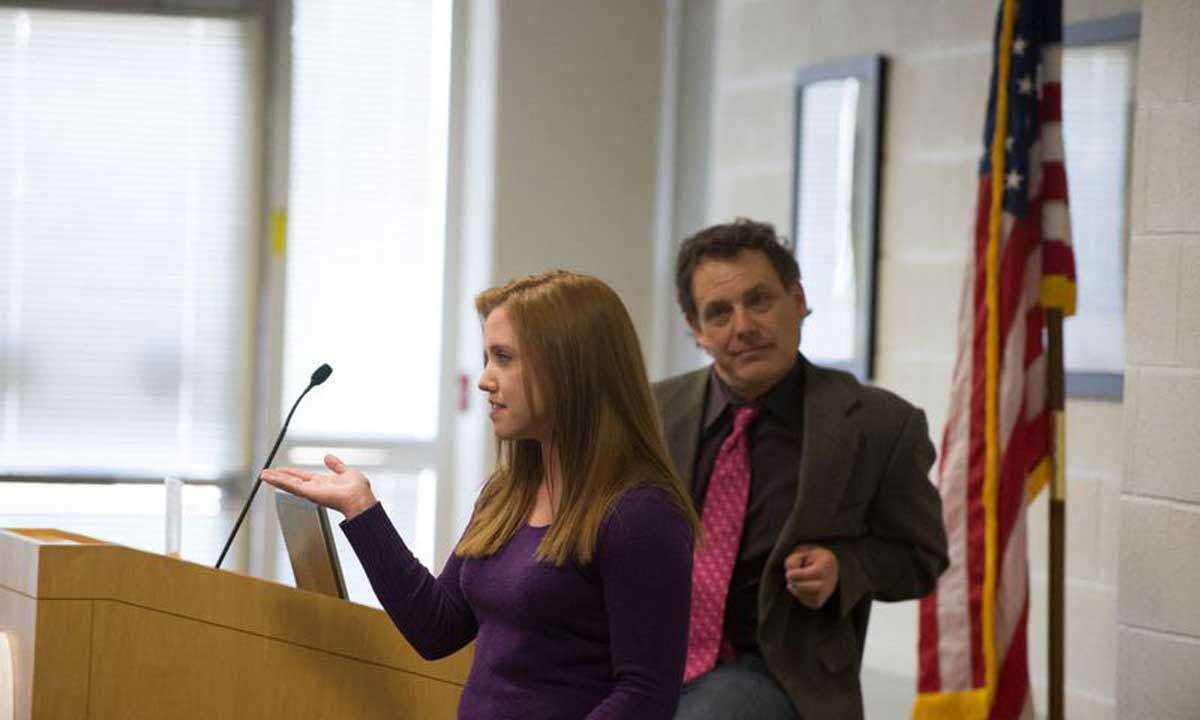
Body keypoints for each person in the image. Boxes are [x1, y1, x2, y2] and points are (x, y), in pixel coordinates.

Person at [262, 270, 699, 720]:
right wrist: (361, 508)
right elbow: (437, 629)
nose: (486, 379)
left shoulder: (641, 514)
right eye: (488, 357)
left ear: (571, 369)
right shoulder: (505, 496)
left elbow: (645, 697)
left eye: (504, 358)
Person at [653, 219, 949, 720]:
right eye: (719, 312)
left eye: (759, 300)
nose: (743, 326)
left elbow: (922, 558)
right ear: (696, 330)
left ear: (799, 300)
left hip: (776, 670)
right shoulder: (653, 412)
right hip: (647, 656)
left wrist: (844, 568)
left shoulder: (879, 426)